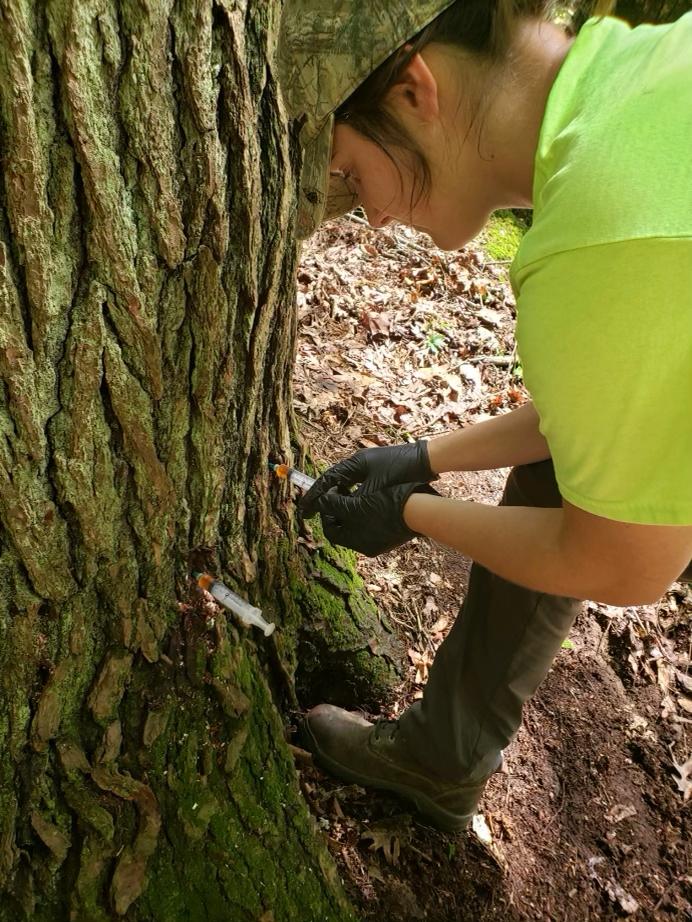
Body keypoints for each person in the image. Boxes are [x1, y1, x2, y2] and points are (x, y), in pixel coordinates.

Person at [276, 0, 692, 832]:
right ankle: (444, 757)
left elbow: (623, 562)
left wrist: (416, 512)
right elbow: (621, 403)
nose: (376, 215)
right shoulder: (639, 82)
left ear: (413, 91)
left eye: (355, 177)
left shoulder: (601, 238)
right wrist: (425, 457)